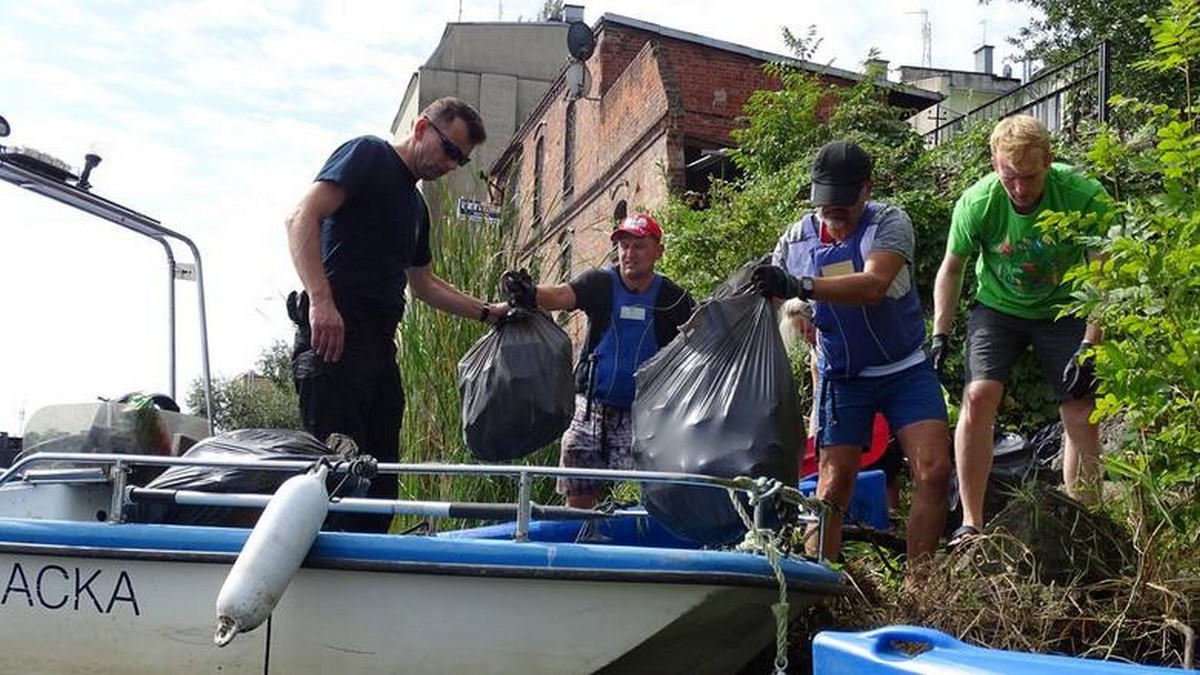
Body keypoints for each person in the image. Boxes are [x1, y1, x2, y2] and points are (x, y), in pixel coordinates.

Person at [285, 96, 506, 533]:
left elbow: (424, 284)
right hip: (335, 340)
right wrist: (321, 300)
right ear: (422, 128)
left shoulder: (416, 208)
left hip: (380, 348)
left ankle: (373, 565)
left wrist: (488, 313)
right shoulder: (368, 155)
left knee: (381, 483)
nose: (451, 164)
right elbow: (300, 216)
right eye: (449, 150)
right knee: (338, 479)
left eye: (460, 160)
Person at [754, 140, 950, 564]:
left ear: (867, 189)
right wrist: (790, 306)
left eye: (844, 201)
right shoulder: (796, 240)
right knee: (833, 484)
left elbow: (874, 285)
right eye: (826, 202)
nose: (834, 212)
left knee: (934, 471)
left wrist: (801, 286)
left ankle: (919, 584)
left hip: (905, 369)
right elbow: (774, 297)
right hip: (842, 376)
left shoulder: (890, 223)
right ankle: (818, 580)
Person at [931, 115, 1110, 547]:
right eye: (1009, 176)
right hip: (998, 307)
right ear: (995, 164)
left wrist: (1090, 345)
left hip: (1065, 306)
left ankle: (1086, 522)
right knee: (978, 396)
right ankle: (971, 522)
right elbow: (951, 269)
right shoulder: (979, 202)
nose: (1019, 189)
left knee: (1080, 407)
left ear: (1048, 161)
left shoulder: (1083, 196)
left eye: (1029, 177)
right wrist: (940, 335)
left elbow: (1102, 277)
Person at [503, 213, 695, 509]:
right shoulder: (601, 283)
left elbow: (705, 335)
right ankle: (579, 535)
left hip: (646, 414)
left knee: (657, 497)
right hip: (591, 408)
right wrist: (530, 293)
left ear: (659, 251)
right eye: (624, 246)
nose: (629, 254)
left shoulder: (673, 297)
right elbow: (562, 295)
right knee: (579, 491)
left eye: (639, 246)